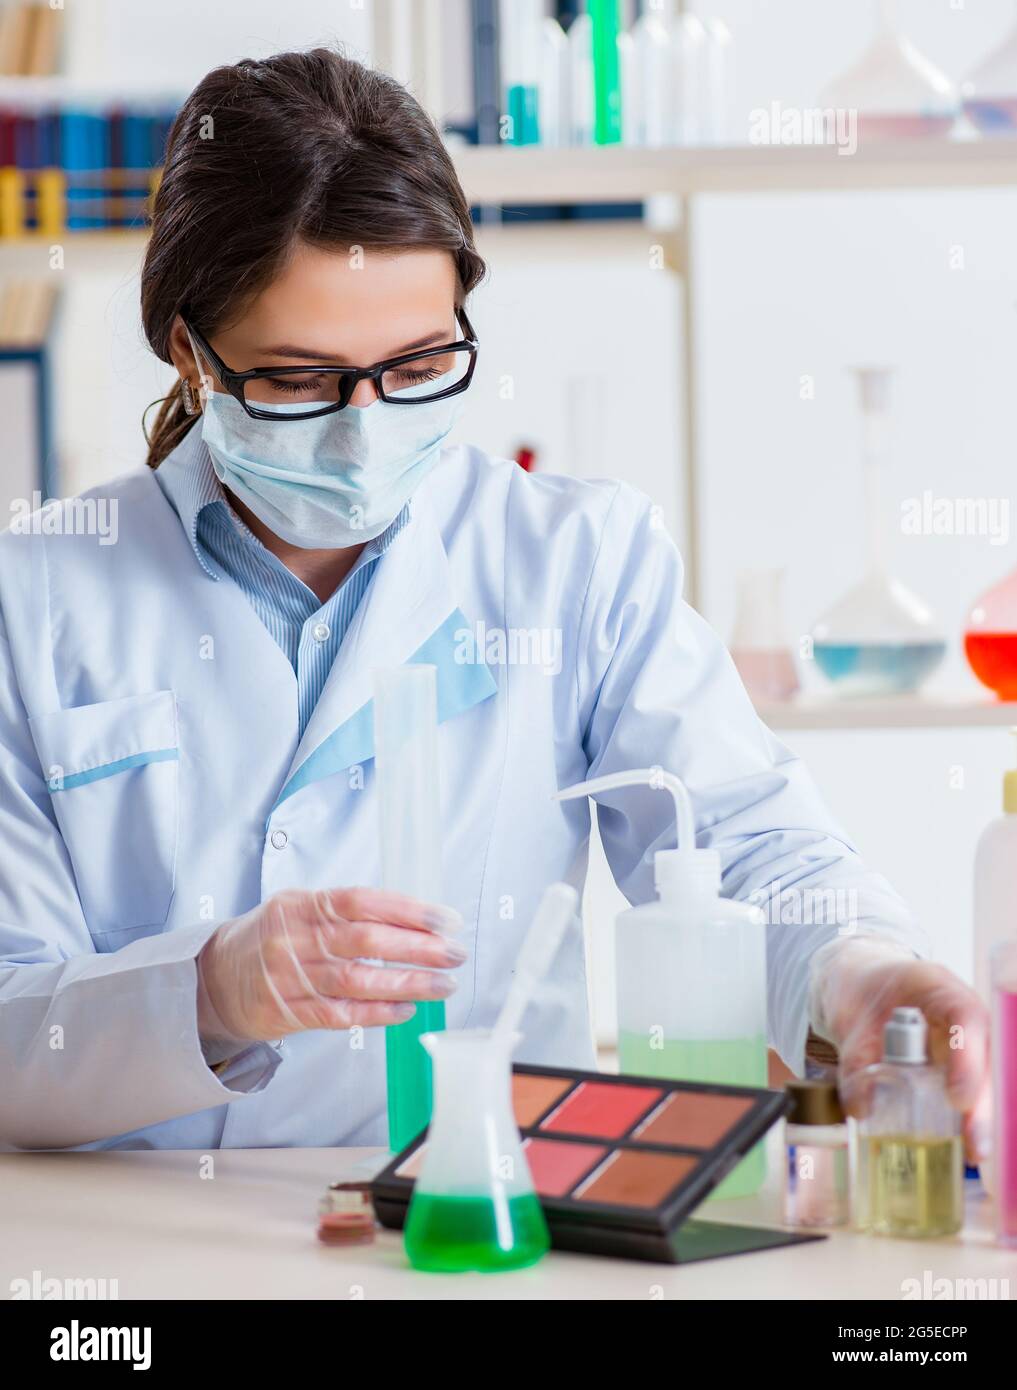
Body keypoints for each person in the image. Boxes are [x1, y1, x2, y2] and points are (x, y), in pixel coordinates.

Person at [0, 48, 989, 1155]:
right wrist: (211, 989)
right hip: (140, 1254)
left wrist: (862, 974)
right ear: (189, 353)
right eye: (296, 378)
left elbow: (748, 842)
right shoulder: (35, 596)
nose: (362, 430)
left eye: (417, 366)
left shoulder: (575, 559)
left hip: (478, 1228)